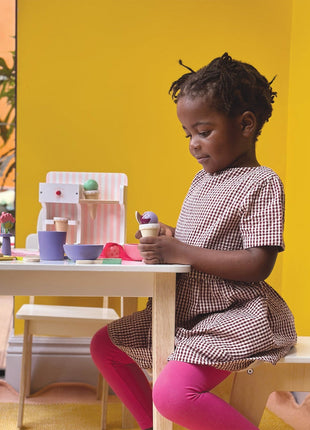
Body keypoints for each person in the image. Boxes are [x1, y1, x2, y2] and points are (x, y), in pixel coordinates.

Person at [91, 52, 297, 430]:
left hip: (230, 315)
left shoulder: (261, 182)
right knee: (105, 346)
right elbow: (201, 242)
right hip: (184, 310)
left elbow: (258, 264)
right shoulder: (201, 181)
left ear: (246, 124)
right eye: (188, 135)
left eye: (203, 132)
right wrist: (171, 235)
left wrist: (180, 250)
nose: (193, 144)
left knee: (172, 394)